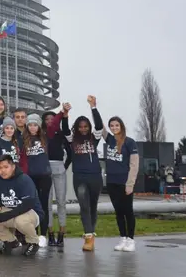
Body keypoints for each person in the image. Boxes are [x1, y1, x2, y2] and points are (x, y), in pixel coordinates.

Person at [62, 95, 107, 252]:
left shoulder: (94, 139)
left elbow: (99, 126)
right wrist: (65, 114)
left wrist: (93, 107)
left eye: (85, 126)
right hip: (79, 177)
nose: (83, 129)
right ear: (77, 127)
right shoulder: (72, 140)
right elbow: (65, 129)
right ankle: (88, 236)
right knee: (84, 206)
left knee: (93, 206)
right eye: (80, 127)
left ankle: (91, 233)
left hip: (95, 177)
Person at [0, 155, 45, 256]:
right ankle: (10, 241)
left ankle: (33, 242)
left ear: (13, 167)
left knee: (21, 221)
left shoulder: (24, 179)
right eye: (0, 168)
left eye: (6, 167)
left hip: (30, 212)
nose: (3, 171)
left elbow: (28, 204)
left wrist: (7, 215)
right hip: (11, 211)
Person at [105, 116, 139, 252]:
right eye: (112, 126)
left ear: (121, 126)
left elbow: (134, 165)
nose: (114, 128)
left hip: (124, 182)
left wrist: (130, 184)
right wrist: (93, 108)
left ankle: (131, 240)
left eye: (117, 125)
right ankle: (123, 237)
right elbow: (99, 126)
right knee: (118, 212)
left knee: (128, 211)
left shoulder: (130, 142)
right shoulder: (109, 140)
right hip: (111, 182)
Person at [20, 113, 52, 248]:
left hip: (44, 176)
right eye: (30, 125)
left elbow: (54, 125)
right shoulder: (23, 139)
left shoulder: (45, 137)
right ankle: (32, 234)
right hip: (29, 177)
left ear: (39, 126)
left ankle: (43, 235)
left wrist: (63, 112)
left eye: (35, 125)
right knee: (31, 206)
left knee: (43, 206)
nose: (33, 128)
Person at [42, 104, 72, 247]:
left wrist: (64, 167)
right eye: (47, 119)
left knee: (61, 202)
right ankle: (50, 234)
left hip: (59, 167)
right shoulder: (42, 135)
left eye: (52, 119)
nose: (49, 121)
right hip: (45, 169)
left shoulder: (61, 135)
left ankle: (61, 233)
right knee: (47, 203)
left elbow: (70, 153)